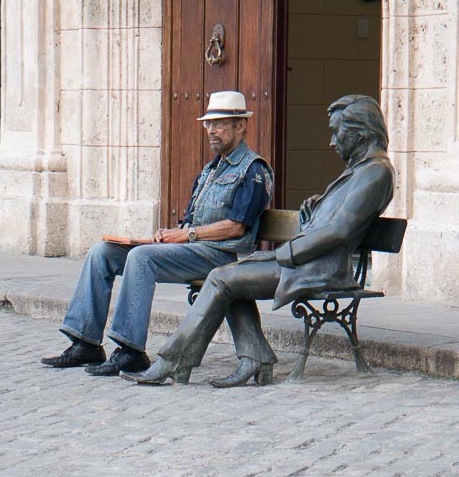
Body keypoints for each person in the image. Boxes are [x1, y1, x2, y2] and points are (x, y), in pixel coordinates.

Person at [121, 94, 395, 387]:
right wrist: (316, 206)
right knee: (229, 277)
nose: (331, 141)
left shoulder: (376, 172)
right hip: (305, 261)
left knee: (221, 279)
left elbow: (340, 231)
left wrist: (286, 252)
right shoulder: (359, 170)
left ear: (360, 132)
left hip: (318, 269)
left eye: (336, 131)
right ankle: (255, 357)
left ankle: (173, 361)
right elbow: (335, 219)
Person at [41, 91, 274, 376]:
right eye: (209, 124)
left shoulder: (254, 170)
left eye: (220, 123)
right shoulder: (210, 170)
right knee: (102, 252)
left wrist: (186, 236)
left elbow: (237, 227)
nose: (212, 130)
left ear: (241, 126)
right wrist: (168, 235)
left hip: (221, 255)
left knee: (142, 258)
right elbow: (190, 222)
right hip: (193, 249)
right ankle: (85, 342)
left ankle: (131, 351)